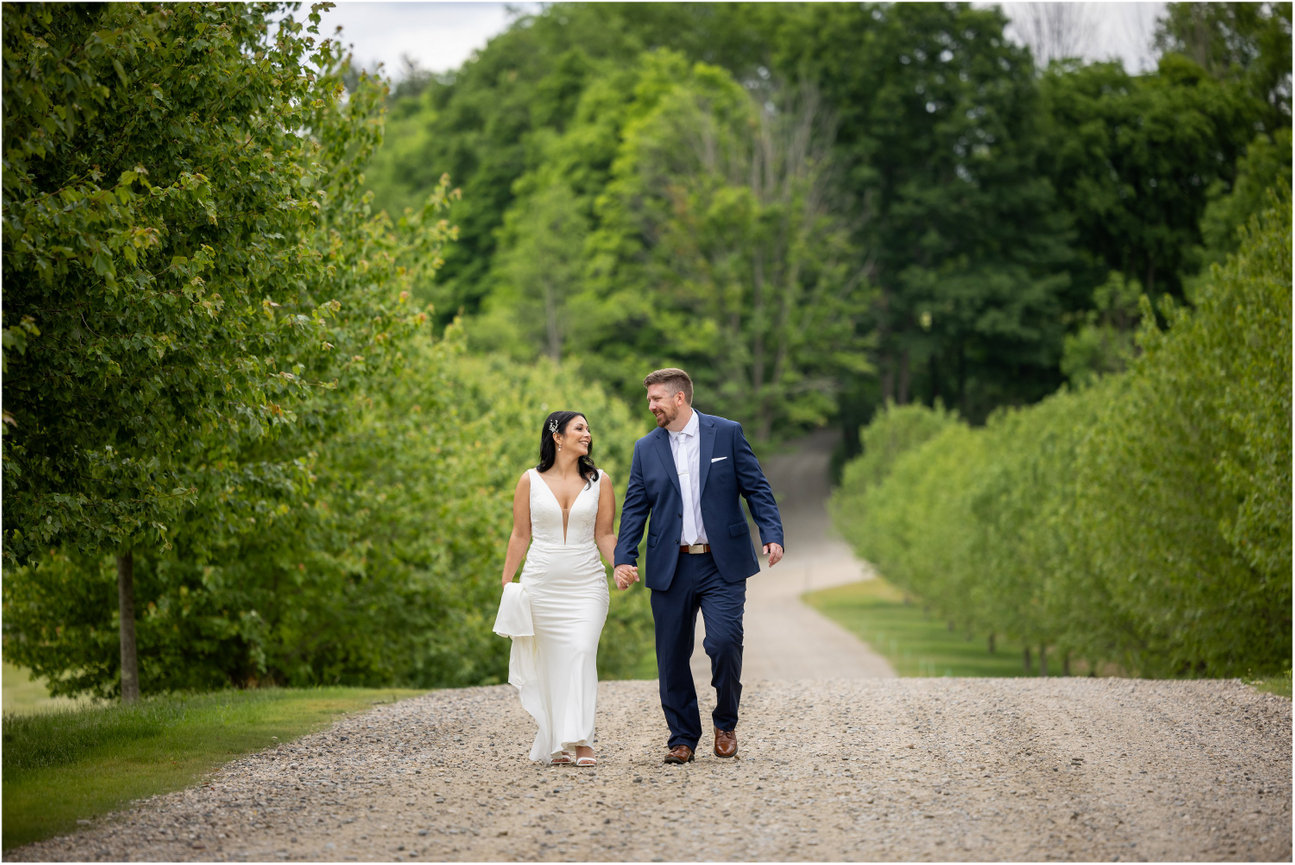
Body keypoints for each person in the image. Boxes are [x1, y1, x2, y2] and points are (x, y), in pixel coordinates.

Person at [613, 368, 784, 764]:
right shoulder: (645, 448)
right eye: (649, 399)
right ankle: (682, 737)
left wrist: (771, 532)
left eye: (657, 398)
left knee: (723, 643)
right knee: (671, 654)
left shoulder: (726, 433)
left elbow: (757, 487)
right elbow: (635, 507)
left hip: (721, 564)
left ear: (679, 398)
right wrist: (625, 557)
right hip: (670, 566)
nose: (651, 406)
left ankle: (726, 723)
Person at [500, 411, 620, 766]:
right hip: (541, 585)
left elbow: (605, 534)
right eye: (579, 429)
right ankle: (556, 743)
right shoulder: (529, 481)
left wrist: (621, 566)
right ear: (558, 437)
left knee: (582, 652)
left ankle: (582, 741)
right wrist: (507, 582)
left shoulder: (601, 481)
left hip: (587, 584)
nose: (587, 434)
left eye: (587, 429)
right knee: (551, 663)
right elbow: (520, 534)